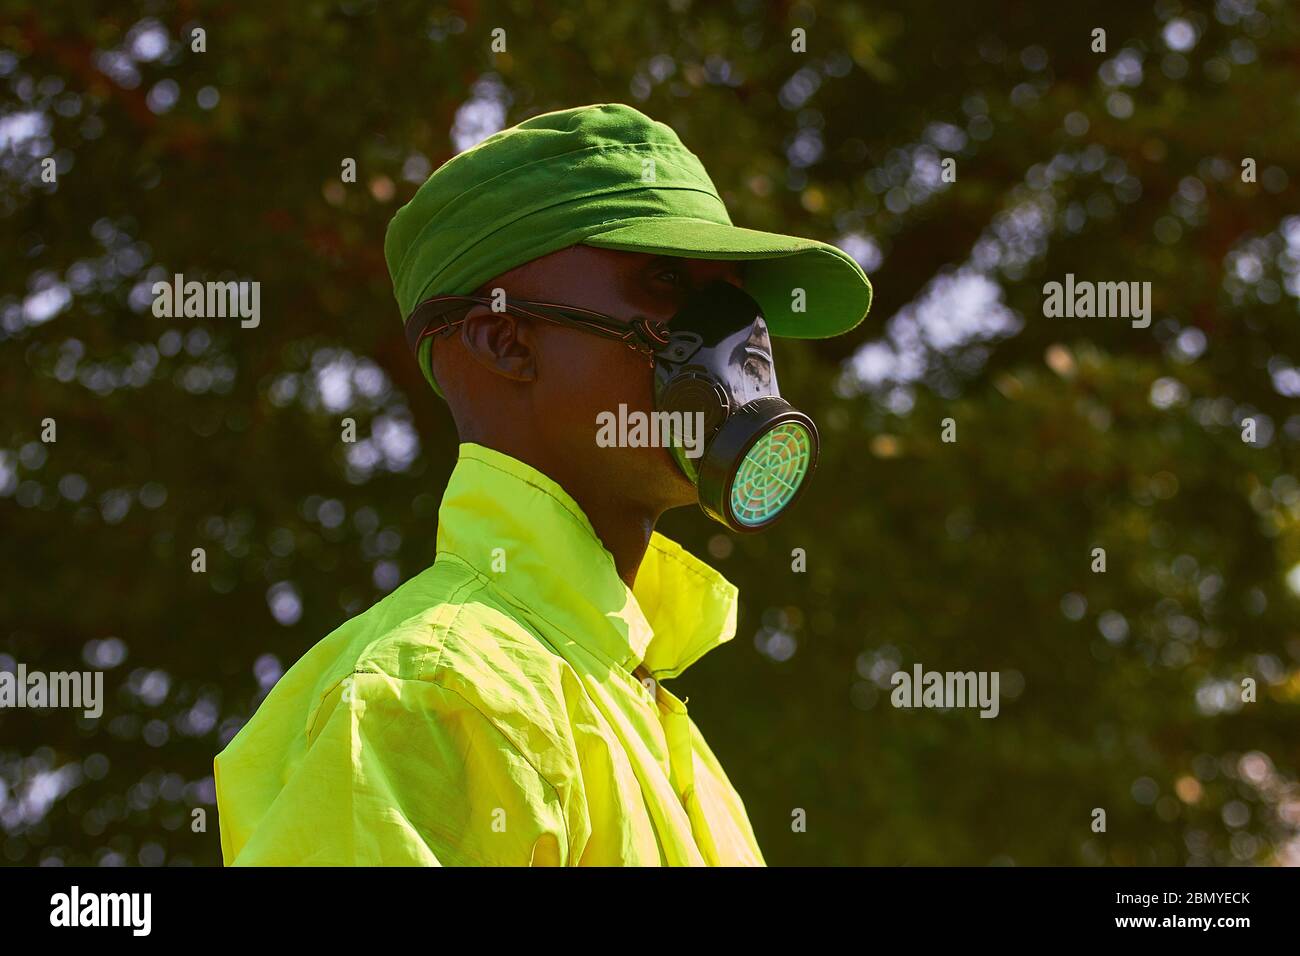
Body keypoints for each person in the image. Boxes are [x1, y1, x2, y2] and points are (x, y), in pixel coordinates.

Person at [213, 103, 872, 865]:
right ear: (504, 338)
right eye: (664, 282)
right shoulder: (435, 696)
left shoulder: (654, 720)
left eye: (734, 300)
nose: (733, 339)